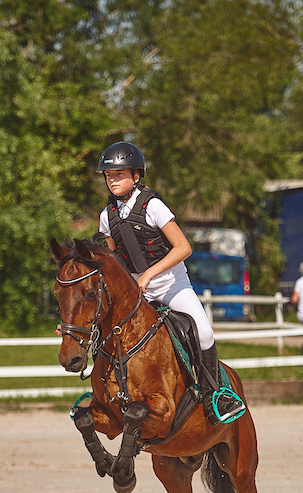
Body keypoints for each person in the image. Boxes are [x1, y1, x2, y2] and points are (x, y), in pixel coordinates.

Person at [95, 140, 246, 423]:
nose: (112, 179)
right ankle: (105, 395)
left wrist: (149, 275)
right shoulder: (107, 216)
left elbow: (183, 248)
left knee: (203, 333)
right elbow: (113, 262)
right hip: (136, 290)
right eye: (108, 175)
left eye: (118, 174)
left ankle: (218, 396)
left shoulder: (153, 206)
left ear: (136, 175)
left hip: (171, 284)